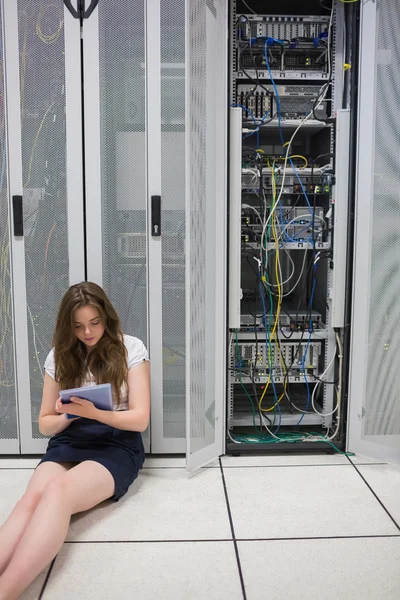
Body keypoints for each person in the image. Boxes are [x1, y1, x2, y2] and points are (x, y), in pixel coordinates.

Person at [0, 282, 150, 599]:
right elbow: (45, 423)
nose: (88, 332)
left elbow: (140, 418)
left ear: (107, 317)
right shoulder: (60, 356)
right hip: (70, 439)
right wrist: (69, 414)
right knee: (32, 499)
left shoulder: (131, 349)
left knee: (59, 491)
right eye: (79, 326)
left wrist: (95, 413)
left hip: (117, 443)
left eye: (94, 323)